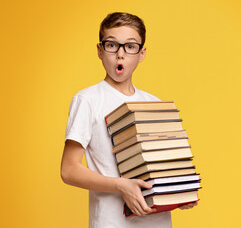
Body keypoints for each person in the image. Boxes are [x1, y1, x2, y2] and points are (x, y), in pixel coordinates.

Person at [60, 12, 197, 228]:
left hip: (157, 222)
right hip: (112, 222)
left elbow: (162, 164)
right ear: (99, 50)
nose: (120, 54)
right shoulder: (87, 100)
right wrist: (121, 186)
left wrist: (179, 191)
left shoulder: (154, 102)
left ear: (141, 54)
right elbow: (68, 170)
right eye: (112, 45)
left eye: (130, 46)